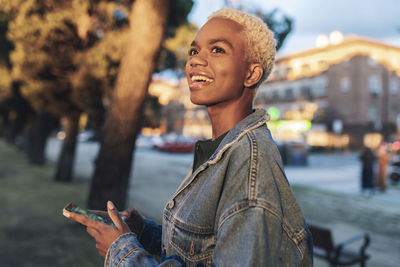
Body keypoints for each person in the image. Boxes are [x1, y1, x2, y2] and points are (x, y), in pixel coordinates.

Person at [64, 8, 313, 266]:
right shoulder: (222, 150)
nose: (195, 60)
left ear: (251, 74)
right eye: (194, 51)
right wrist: (143, 233)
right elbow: (210, 250)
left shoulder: (250, 164)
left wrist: (121, 253)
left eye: (217, 50)